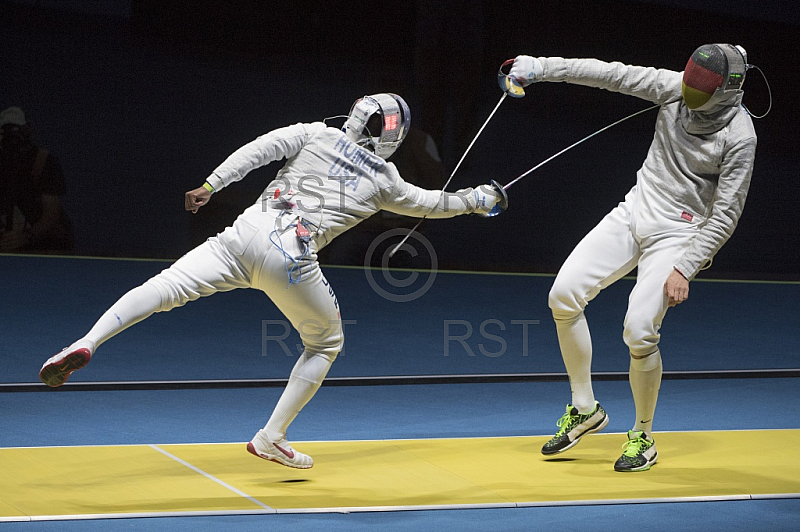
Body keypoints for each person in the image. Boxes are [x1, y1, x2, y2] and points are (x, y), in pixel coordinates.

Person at [39, 93, 503, 469]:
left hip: (243, 235)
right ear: (392, 137)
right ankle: (271, 437)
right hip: (291, 258)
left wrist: (212, 184)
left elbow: (259, 149)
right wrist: (479, 199)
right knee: (325, 343)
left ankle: (87, 341)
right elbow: (433, 204)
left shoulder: (315, 133)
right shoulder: (386, 178)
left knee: (166, 286)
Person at [509, 44, 757, 471]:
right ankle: (585, 408)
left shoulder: (740, 136)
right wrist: (540, 67)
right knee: (563, 296)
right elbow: (608, 72)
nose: (689, 94)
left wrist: (685, 266)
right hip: (634, 212)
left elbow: (726, 215)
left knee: (639, 330)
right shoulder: (673, 88)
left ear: (728, 90)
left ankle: (642, 435)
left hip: (680, 234)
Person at [0, 106, 73, 253]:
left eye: (16, 132)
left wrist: (26, 236)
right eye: (6, 133)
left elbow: (52, 214)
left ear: (27, 132)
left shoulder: (43, 161)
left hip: (41, 244)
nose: (12, 140)